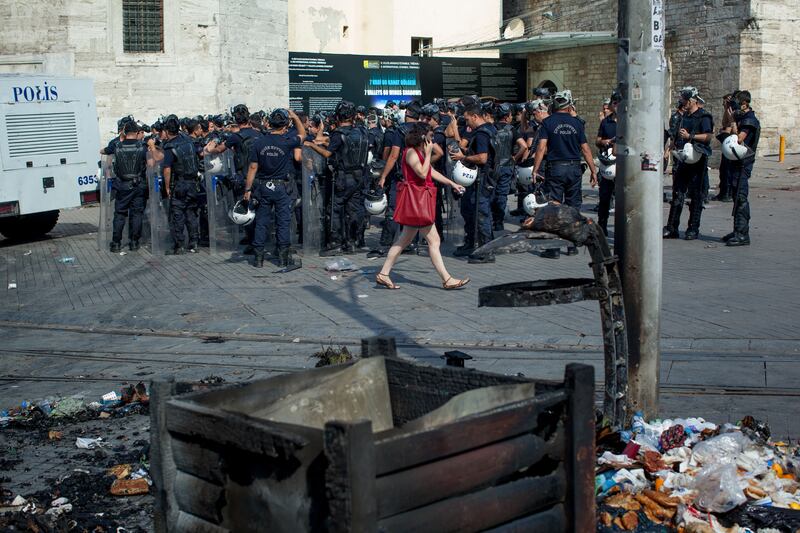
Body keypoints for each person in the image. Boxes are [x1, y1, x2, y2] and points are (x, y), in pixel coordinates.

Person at [376, 122, 469, 290]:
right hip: (417, 202)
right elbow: (422, 173)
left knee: (404, 240)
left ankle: (383, 274)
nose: (432, 141)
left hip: (418, 202)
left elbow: (431, 172)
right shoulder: (411, 152)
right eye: (430, 137)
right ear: (422, 137)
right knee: (432, 240)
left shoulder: (417, 152)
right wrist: (427, 154)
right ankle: (447, 279)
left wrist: (452, 183)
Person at [532, 89, 598, 258]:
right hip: (574, 168)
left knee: (554, 206)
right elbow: (585, 149)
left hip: (556, 168)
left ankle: (554, 248)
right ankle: (572, 245)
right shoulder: (577, 123)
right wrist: (593, 170)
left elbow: (541, 147)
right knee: (573, 207)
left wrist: (535, 169)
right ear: (569, 106)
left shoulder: (548, 122)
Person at [304, 101, 369, 255]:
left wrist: (312, 145)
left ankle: (335, 243)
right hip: (359, 177)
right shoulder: (361, 132)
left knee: (334, 210)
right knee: (353, 210)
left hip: (342, 178)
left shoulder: (339, 134)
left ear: (338, 117)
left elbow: (328, 153)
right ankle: (352, 242)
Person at [243, 108, 306, 268]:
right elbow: (303, 134)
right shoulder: (287, 141)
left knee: (261, 222)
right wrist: (295, 118)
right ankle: (283, 258)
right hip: (281, 187)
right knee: (283, 222)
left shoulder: (259, 142)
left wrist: (248, 189)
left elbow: (252, 167)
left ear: (270, 123)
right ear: (285, 125)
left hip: (263, 186)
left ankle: (258, 258)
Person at [662, 87, 713, 240]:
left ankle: (693, 228)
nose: (682, 102)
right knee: (678, 192)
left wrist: (690, 136)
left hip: (697, 158)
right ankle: (672, 227)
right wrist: (669, 149)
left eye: (685, 100)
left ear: (692, 100)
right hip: (683, 158)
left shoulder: (704, 116)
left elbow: (708, 136)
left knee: (696, 194)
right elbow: (677, 135)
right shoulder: (683, 116)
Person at [450, 102, 498, 263]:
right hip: (483, 178)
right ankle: (471, 244)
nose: (467, 123)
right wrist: (465, 151)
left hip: (482, 179)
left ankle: (486, 252)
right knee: (470, 211)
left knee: (481, 214)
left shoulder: (482, 133)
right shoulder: (490, 129)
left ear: (475, 116)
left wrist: (462, 157)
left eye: (467, 119)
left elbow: (483, 158)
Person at [723, 90, 760, 247]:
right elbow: (726, 129)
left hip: (744, 163)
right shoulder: (741, 117)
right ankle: (737, 230)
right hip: (735, 161)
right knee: (736, 195)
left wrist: (733, 121)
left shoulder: (750, 119)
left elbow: (739, 139)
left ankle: (743, 234)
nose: (735, 107)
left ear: (744, 103)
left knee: (741, 197)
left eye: (737, 103)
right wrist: (728, 112)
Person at [162, 115, 202, 254]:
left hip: (180, 184)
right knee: (191, 213)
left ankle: (179, 245)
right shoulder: (189, 141)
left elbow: (167, 169)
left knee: (177, 214)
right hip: (193, 183)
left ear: (167, 131)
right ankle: (193, 242)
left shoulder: (170, 146)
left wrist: (167, 187)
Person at [109, 120, 151, 252]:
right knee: (137, 214)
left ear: (124, 132)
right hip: (138, 185)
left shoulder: (117, 146)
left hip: (122, 184)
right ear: (137, 132)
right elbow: (151, 163)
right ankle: (134, 242)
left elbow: (104, 152)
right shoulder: (142, 147)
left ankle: (116, 243)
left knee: (120, 214)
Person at [490, 103, 517, 232]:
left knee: (491, 192)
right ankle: (499, 222)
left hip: (493, 166)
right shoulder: (512, 129)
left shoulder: (491, 128)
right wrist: (514, 158)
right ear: (506, 116)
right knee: (502, 194)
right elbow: (523, 146)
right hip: (507, 167)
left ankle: (491, 219)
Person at [595, 91, 620, 235]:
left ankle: (622, 228)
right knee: (604, 196)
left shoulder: (628, 121)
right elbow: (597, 141)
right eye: (614, 103)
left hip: (623, 165)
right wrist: (605, 142)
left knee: (623, 199)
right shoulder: (606, 122)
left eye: (619, 102)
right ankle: (602, 226)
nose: (616, 105)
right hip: (608, 164)